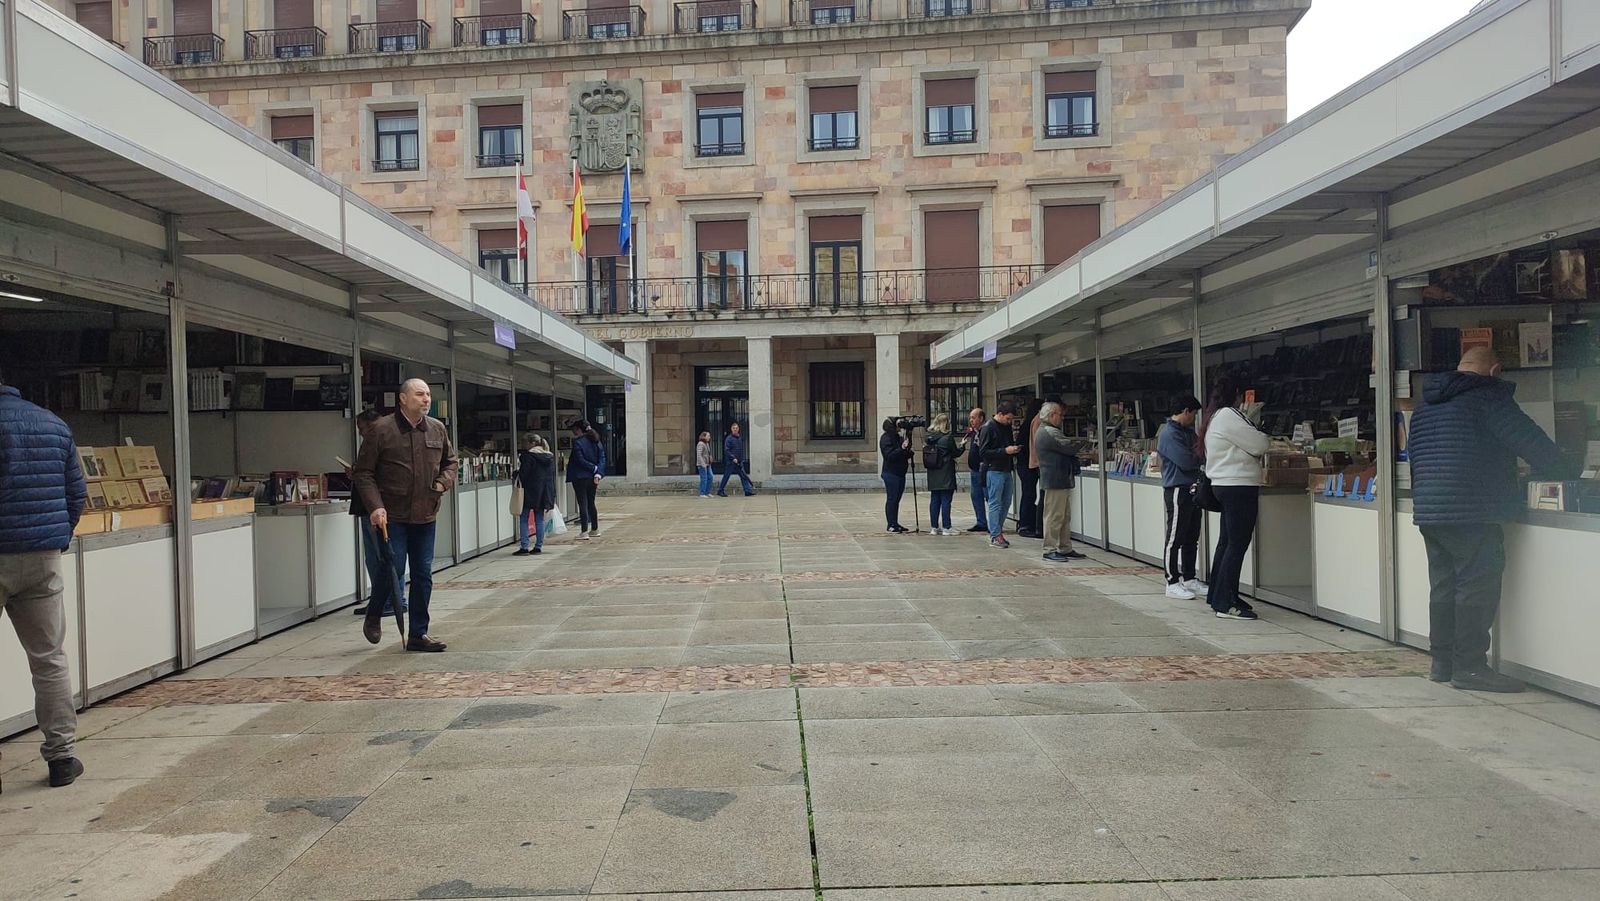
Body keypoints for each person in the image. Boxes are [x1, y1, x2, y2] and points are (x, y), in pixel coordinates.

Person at [1408, 346, 1576, 692]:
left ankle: (1442, 663)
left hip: (1430, 509)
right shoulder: (1488, 396)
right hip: (1473, 509)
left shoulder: (1425, 406)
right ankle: (1469, 667)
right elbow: (1534, 445)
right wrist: (1569, 472)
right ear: (1495, 370)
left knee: (1444, 586)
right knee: (1476, 586)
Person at [0, 375, 86, 788]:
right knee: (49, 659)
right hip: (42, 558)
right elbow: (76, 493)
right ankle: (62, 757)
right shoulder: (52, 423)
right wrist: (56, 537)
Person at [353, 378, 458, 652]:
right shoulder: (381, 430)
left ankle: (418, 634)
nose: (426, 399)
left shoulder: (436, 428)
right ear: (402, 399)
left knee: (423, 574)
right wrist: (375, 506)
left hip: (425, 514)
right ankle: (374, 613)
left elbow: (451, 462)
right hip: (392, 516)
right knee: (393, 569)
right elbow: (363, 473)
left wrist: (442, 484)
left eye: (428, 395)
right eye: (420, 394)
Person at [1198, 376, 1268, 621]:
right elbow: (1260, 444)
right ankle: (1225, 603)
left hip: (1224, 485)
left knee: (1226, 542)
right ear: (1237, 394)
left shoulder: (1216, 416)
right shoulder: (1229, 415)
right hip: (1238, 485)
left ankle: (1220, 594)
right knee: (1237, 545)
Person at [351, 408, 400, 618]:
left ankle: (392, 601)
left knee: (384, 556)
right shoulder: (370, 444)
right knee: (372, 558)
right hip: (366, 508)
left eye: (362, 428)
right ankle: (379, 600)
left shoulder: (384, 443)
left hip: (379, 508)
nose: (360, 433)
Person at [1157, 395, 1207, 600]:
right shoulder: (1169, 434)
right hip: (1177, 489)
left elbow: (1201, 453)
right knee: (1175, 537)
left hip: (1192, 488)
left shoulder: (1187, 432)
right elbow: (1187, 461)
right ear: (1185, 411)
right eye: (1193, 414)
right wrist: (1198, 457)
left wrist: (1198, 456)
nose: (1194, 418)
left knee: (1191, 537)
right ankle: (1171, 581)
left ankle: (1189, 577)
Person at [1034, 402, 1086, 563]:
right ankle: (1049, 549)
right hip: (1054, 479)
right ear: (1051, 415)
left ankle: (1065, 547)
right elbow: (1069, 446)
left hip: (1059, 478)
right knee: (1054, 516)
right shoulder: (1049, 431)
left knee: (1064, 516)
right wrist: (1083, 442)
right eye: (1060, 415)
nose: (1062, 418)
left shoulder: (1046, 430)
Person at [977, 401, 1022, 548]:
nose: (1009, 422)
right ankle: (995, 534)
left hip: (1006, 468)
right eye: (1008, 418)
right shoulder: (988, 427)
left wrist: (1013, 450)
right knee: (995, 502)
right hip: (994, 469)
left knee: (1006, 502)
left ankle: (997, 531)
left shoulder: (1006, 427)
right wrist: (1004, 451)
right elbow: (983, 452)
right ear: (1000, 414)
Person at [515, 434, 557, 555]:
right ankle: (538, 546)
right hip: (543, 492)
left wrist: (515, 474)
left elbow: (523, 474)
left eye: (526, 443)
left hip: (529, 491)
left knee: (524, 518)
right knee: (539, 519)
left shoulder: (528, 456)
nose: (525, 446)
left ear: (532, 443)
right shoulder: (549, 456)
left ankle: (524, 546)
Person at [922, 413, 961, 536]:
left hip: (933, 472)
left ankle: (934, 527)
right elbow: (955, 453)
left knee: (934, 500)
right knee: (946, 500)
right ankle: (946, 527)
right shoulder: (947, 438)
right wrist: (962, 446)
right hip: (946, 472)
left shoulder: (928, 438)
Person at [566, 419, 605, 539]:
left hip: (580, 476)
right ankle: (595, 528)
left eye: (574, 429)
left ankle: (584, 531)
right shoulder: (596, 441)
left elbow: (579, 459)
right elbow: (602, 458)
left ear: (578, 429)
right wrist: (598, 473)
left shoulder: (578, 443)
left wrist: (593, 468)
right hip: (593, 477)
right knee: (591, 502)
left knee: (582, 503)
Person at [1017, 398, 1045, 539]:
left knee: (1028, 494)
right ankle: (1025, 525)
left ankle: (1025, 523)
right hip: (1027, 465)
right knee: (1029, 495)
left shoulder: (1027, 423)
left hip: (1025, 464)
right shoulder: (1034, 423)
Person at [879, 417, 912, 534]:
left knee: (896, 499)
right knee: (892, 499)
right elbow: (890, 456)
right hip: (891, 473)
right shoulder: (886, 438)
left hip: (900, 472)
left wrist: (907, 450)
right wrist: (902, 448)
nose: (899, 427)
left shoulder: (898, 437)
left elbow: (902, 454)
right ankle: (891, 524)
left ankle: (895, 522)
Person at [963, 407, 988, 533]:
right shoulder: (974, 432)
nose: (971, 420)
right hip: (974, 469)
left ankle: (993, 523)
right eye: (970, 418)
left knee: (988, 496)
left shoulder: (986, 430)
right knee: (976, 496)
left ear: (981, 418)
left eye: (973, 417)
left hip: (984, 469)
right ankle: (981, 522)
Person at [717, 422, 755, 497]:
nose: (735, 429)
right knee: (726, 476)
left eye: (736, 428)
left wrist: (740, 459)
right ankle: (720, 490)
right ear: (731, 429)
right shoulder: (729, 439)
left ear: (738, 429)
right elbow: (727, 450)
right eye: (734, 428)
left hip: (739, 461)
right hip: (731, 462)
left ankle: (747, 491)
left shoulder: (739, 438)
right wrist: (733, 458)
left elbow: (740, 449)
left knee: (743, 476)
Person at [695, 431, 714, 498]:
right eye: (708, 436)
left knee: (710, 477)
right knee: (704, 478)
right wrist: (703, 464)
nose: (709, 437)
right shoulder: (700, 444)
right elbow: (699, 455)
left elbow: (708, 453)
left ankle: (707, 492)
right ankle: (702, 493)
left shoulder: (707, 444)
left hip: (708, 464)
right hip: (702, 464)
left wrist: (710, 457)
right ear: (704, 436)